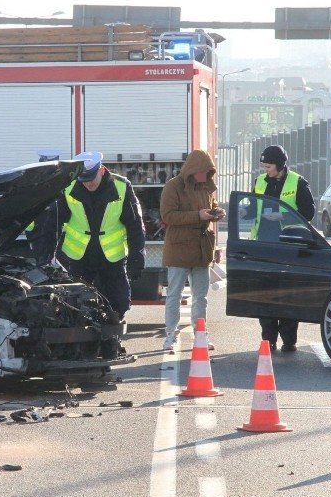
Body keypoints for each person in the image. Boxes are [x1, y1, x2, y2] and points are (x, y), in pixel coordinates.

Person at [43, 151, 146, 321]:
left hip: (112, 258)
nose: (88, 184)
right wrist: (47, 256)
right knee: (74, 303)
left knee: (119, 303)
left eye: (91, 178)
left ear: (102, 171)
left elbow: (135, 226)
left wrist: (137, 258)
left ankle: (112, 338)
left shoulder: (121, 186)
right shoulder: (68, 187)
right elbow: (52, 223)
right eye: (84, 180)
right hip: (79, 258)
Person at [249, 144, 315, 353]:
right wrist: (243, 212)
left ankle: (289, 339)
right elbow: (252, 208)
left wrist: (282, 216)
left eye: (268, 166)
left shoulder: (297, 182)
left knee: (287, 294)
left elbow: (308, 212)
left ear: (279, 165)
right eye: (263, 166)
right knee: (266, 294)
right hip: (264, 244)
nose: (265, 170)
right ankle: (268, 339)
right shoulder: (260, 181)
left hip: (289, 245)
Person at [160, 149, 222, 352]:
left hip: (201, 248)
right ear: (194, 169)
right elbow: (168, 216)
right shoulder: (173, 186)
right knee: (174, 295)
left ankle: (201, 334)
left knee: (201, 296)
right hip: (178, 248)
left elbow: (211, 206)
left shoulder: (206, 187)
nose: (207, 176)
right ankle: (170, 335)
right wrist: (198, 216)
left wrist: (215, 212)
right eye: (205, 171)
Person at [25, 149, 62, 265]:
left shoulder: (62, 180)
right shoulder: (34, 182)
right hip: (40, 233)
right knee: (43, 264)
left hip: (56, 232)